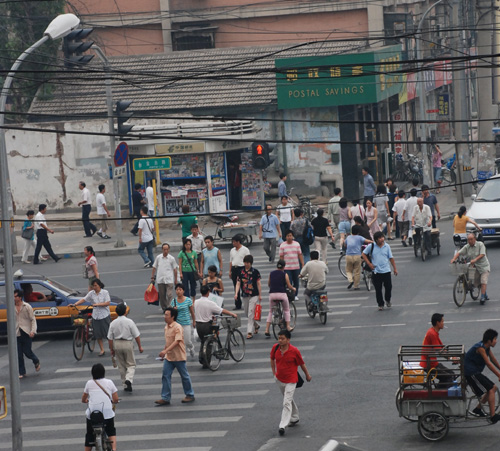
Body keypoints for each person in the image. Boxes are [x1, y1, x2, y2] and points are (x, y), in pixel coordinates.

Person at [270, 329, 312, 436]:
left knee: (286, 402)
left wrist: (307, 374)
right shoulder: (275, 348)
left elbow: (301, 364)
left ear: (288, 340)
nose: (280, 340)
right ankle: (295, 417)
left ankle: (282, 425)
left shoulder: (294, 351)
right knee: (287, 398)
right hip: (279, 379)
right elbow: (272, 359)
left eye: (282, 338)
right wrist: (274, 373)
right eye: (279, 338)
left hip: (291, 380)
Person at [155, 307, 195, 406]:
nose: (165, 317)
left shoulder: (178, 327)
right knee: (165, 376)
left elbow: (177, 341)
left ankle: (190, 394)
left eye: (167, 315)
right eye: (165, 315)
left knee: (184, 376)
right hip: (169, 357)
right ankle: (165, 397)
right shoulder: (166, 327)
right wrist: (165, 353)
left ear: (173, 316)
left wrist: (165, 351)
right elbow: (168, 342)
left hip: (178, 356)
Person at [194, 285, 237, 367]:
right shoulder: (210, 303)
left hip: (198, 325)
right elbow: (221, 310)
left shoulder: (196, 302)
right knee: (210, 341)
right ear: (208, 292)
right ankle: (207, 362)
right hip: (207, 325)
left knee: (203, 341)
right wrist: (232, 314)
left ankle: (201, 357)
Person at [464, 329, 500, 423]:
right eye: (495, 339)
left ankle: (478, 409)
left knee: (494, 387)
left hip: (475, 372)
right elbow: (488, 363)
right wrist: (498, 375)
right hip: (471, 373)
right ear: (489, 340)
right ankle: (493, 416)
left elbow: (493, 359)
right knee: (491, 388)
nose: (496, 341)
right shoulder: (480, 348)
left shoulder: (486, 347)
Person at [107, 302, 143, 392]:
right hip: (127, 343)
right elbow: (136, 335)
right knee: (131, 364)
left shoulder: (113, 323)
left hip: (117, 344)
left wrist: (111, 349)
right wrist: (140, 347)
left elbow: (110, 338)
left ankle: (125, 385)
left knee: (121, 365)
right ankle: (129, 379)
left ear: (116, 312)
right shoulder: (129, 322)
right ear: (125, 312)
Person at [82, 363, 118, 451]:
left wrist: (86, 401)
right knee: (111, 431)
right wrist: (114, 401)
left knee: (89, 434)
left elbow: (84, 398)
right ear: (104, 373)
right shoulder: (109, 382)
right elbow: (116, 398)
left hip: (93, 415)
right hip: (106, 414)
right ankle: (114, 449)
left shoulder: (89, 383)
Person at [71, 279, 112, 356]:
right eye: (93, 286)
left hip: (104, 315)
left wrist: (97, 304)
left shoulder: (105, 292)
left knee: (108, 334)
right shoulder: (91, 293)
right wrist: (75, 304)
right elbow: (83, 299)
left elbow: (107, 303)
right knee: (98, 334)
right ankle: (102, 350)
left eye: (96, 285)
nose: (94, 287)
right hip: (95, 316)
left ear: (99, 285)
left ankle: (112, 348)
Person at [362, 231, 398, 311]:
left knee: (388, 287)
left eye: (382, 237)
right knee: (378, 289)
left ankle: (387, 299)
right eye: (380, 238)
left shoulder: (387, 246)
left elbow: (391, 258)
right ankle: (380, 304)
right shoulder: (371, 246)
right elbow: (363, 254)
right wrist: (369, 263)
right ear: (376, 240)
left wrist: (395, 269)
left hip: (386, 271)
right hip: (376, 271)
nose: (382, 239)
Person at [450, 232, 490, 303]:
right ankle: (484, 293)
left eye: (471, 239)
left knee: (483, 281)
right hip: (474, 267)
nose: (470, 241)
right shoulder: (467, 246)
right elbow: (459, 252)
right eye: (468, 239)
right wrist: (454, 259)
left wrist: (475, 259)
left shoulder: (480, 244)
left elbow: (482, 254)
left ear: (475, 239)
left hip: (484, 267)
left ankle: (483, 297)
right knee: (476, 283)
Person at [419, 313, 456, 388]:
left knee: (452, 374)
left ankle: (439, 389)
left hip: (432, 362)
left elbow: (442, 348)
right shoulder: (432, 334)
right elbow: (440, 351)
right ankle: (438, 393)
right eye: (442, 321)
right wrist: (451, 358)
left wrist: (453, 356)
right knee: (449, 377)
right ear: (437, 323)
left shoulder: (433, 332)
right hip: (429, 364)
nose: (443, 323)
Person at [264, 260, 296, 337]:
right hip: (282, 294)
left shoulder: (271, 273)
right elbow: (289, 285)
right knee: (286, 310)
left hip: (272, 295)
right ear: (284, 267)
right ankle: (288, 326)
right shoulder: (285, 274)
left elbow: (269, 284)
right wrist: (293, 289)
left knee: (271, 311)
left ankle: (267, 329)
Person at [15, 289, 40, 378]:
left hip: (26, 332)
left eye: (15, 296)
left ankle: (36, 361)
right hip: (17, 332)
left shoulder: (27, 306)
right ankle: (22, 372)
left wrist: (32, 331)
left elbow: (32, 319)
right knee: (18, 354)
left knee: (27, 352)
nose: (14, 298)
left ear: (20, 297)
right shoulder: (12, 307)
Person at [235, 254, 262, 339]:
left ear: (251, 263)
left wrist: (260, 295)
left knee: (250, 313)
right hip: (245, 294)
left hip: (254, 294)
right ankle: (256, 325)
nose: (246, 264)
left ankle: (249, 332)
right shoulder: (241, 272)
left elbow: (258, 283)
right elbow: (238, 283)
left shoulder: (255, 272)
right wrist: (236, 293)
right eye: (245, 262)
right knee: (247, 313)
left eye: (248, 263)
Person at [151, 242, 178, 312]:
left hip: (169, 279)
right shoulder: (158, 258)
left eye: (167, 249)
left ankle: (169, 307)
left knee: (169, 295)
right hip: (160, 279)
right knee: (162, 296)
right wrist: (152, 277)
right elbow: (154, 267)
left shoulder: (172, 258)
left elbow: (175, 269)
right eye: (164, 249)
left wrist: (176, 279)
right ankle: (164, 308)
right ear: (162, 250)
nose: (165, 251)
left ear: (169, 250)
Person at [171, 283, 196, 358]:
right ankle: (182, 356)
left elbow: (192, 312)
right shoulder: (174, 301)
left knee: (187, 341)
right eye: (177, 290)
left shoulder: (188, 300)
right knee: (178, 341)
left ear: (183, 291)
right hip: (177, 324)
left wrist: (194, 321)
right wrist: (173, 310)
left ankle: (191, 348)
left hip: (186, 323)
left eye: (180, 289)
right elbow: (171, 314)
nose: (178, 291)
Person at [345, 225, 372, 290]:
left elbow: (345, 244)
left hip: (348, 256)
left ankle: (351, 280)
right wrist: (373, 242)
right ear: (358, 232)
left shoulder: (348, 237)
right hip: (357, 256)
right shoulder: (360, 237)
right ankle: (356, 286)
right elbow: (367, 241)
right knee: (357, 271)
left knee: (348, 270)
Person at [279, 230, 304, 299]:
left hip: (296, 266)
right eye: (288, 236)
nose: (289, 237)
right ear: (285, 237)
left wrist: (302, 264)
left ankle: (295, 295)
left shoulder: (296, 244)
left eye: (290, 236)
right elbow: (281, 257)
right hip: (287, 267)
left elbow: (300, 255)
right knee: (288, 282)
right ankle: (290, 295)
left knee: (296, 281)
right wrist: (281, 267)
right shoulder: (282, 245)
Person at [229, 234, 250, 310]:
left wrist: (247, 271)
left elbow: (249, 261)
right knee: (236, 287)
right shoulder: (232, 250)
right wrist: (230, 271)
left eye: (234, 242)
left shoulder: (245, 250)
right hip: (234, 269)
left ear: (238, 242)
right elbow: (231, 261)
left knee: (244, 287)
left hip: (242, 269)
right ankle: (237, 304)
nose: (233, 243)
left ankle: (247, 303)